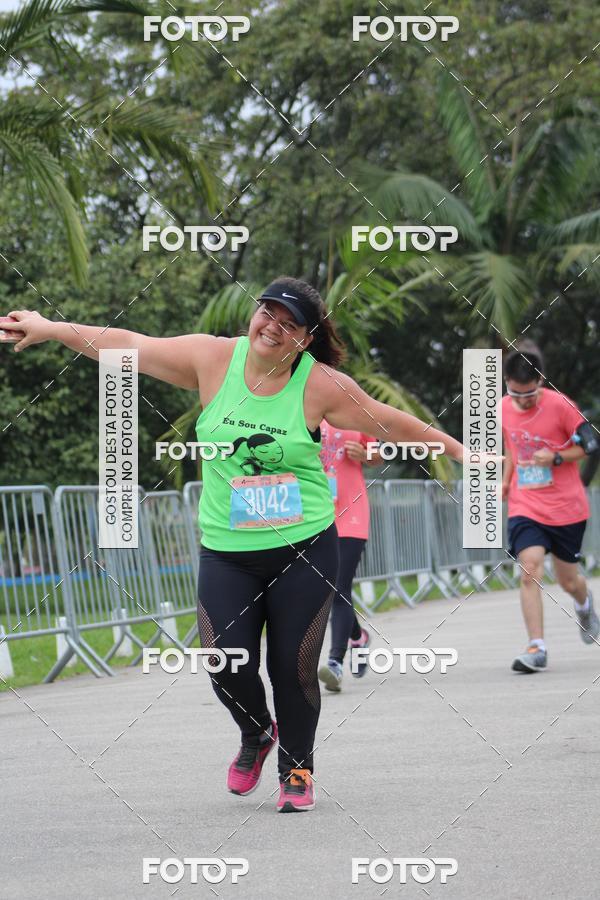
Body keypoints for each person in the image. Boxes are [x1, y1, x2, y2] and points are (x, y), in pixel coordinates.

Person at [2, 276, 466, 812]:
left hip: (304, 546)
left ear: (305, 339)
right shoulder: (213, 358)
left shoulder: (320, 386)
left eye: (290, 323)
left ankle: (297, 768)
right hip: (227, 550)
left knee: (292, 668)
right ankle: (255, 734)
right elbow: (126, 343)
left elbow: (387, 421)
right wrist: (49, 328)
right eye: (267, 312)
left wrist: (458, 451)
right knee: (224, 660)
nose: (273, 326)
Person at [501, 347, 600, 673]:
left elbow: (590, 445)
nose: (523, 401)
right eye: (515, 393)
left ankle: (584, 604)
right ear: (506, 383)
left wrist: (556, 458)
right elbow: (512, 448)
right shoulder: (502, 409)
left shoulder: (561, 405)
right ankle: (536, 647)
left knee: (569, 581)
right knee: (529, 568)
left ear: (541, 382)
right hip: (525, 503)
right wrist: (505, 482)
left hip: (566, 508)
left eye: (529, 395)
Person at [317, 421, 382, 692]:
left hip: (352, 514)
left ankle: (335, 662)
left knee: (338, 586)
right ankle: (359, 636)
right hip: (314, 514)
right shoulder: (298, 405)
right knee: (327, 588)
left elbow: (378, 454)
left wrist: (366, 455)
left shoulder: (352, 409)